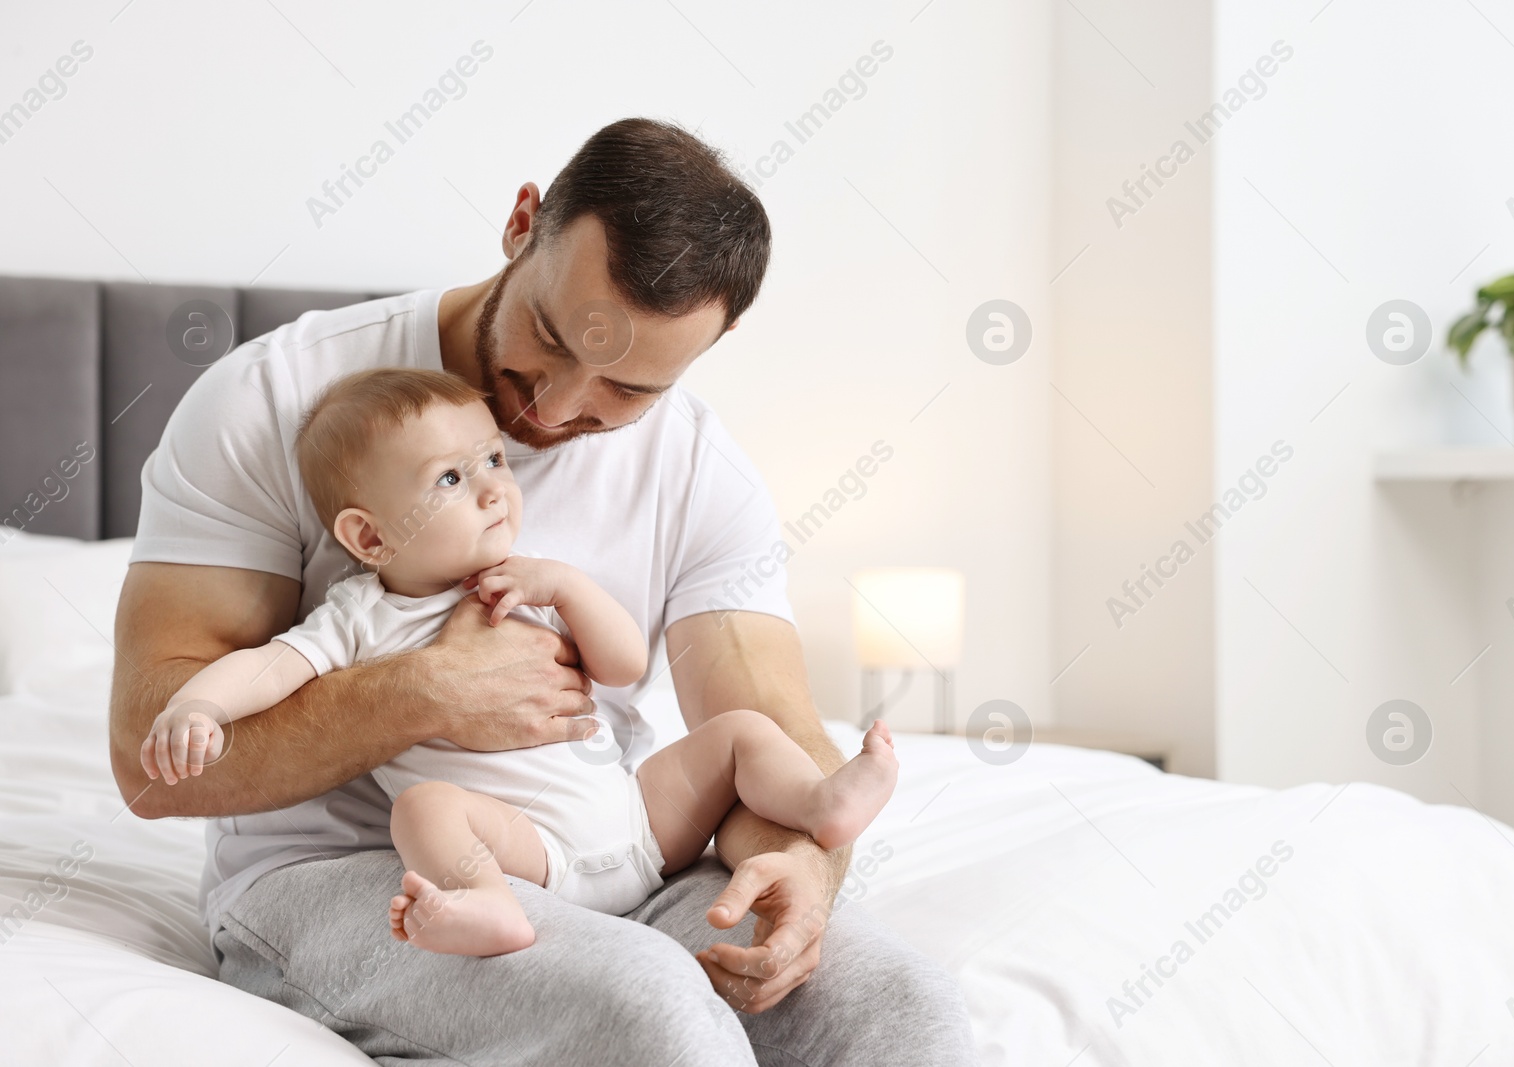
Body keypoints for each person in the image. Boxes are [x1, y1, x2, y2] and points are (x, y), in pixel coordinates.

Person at [108, 117, 978, 1064]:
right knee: (649, 1010)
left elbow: (771, 728)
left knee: (905, 1007)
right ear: (523, 223)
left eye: (628, 390)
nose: (555, 409)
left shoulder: (695, 467)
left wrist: (805, 865)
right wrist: (427, 691)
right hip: (347, 875)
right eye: (551, 337)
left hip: (613, 853)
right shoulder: (277, 401)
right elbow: (144, 760)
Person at [140, 367, 901, 959]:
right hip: (538, 859)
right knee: (422, 809)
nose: (494, 488)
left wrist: (566, 588)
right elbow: (271, 667)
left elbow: (626, 663)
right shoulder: (361, 616)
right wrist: (198, 707)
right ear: (369, 538)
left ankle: (818, 803)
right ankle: (483, 903)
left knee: (738, 731)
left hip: (642, 826)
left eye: (494, 459)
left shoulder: (531, 580)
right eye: (450, 477)